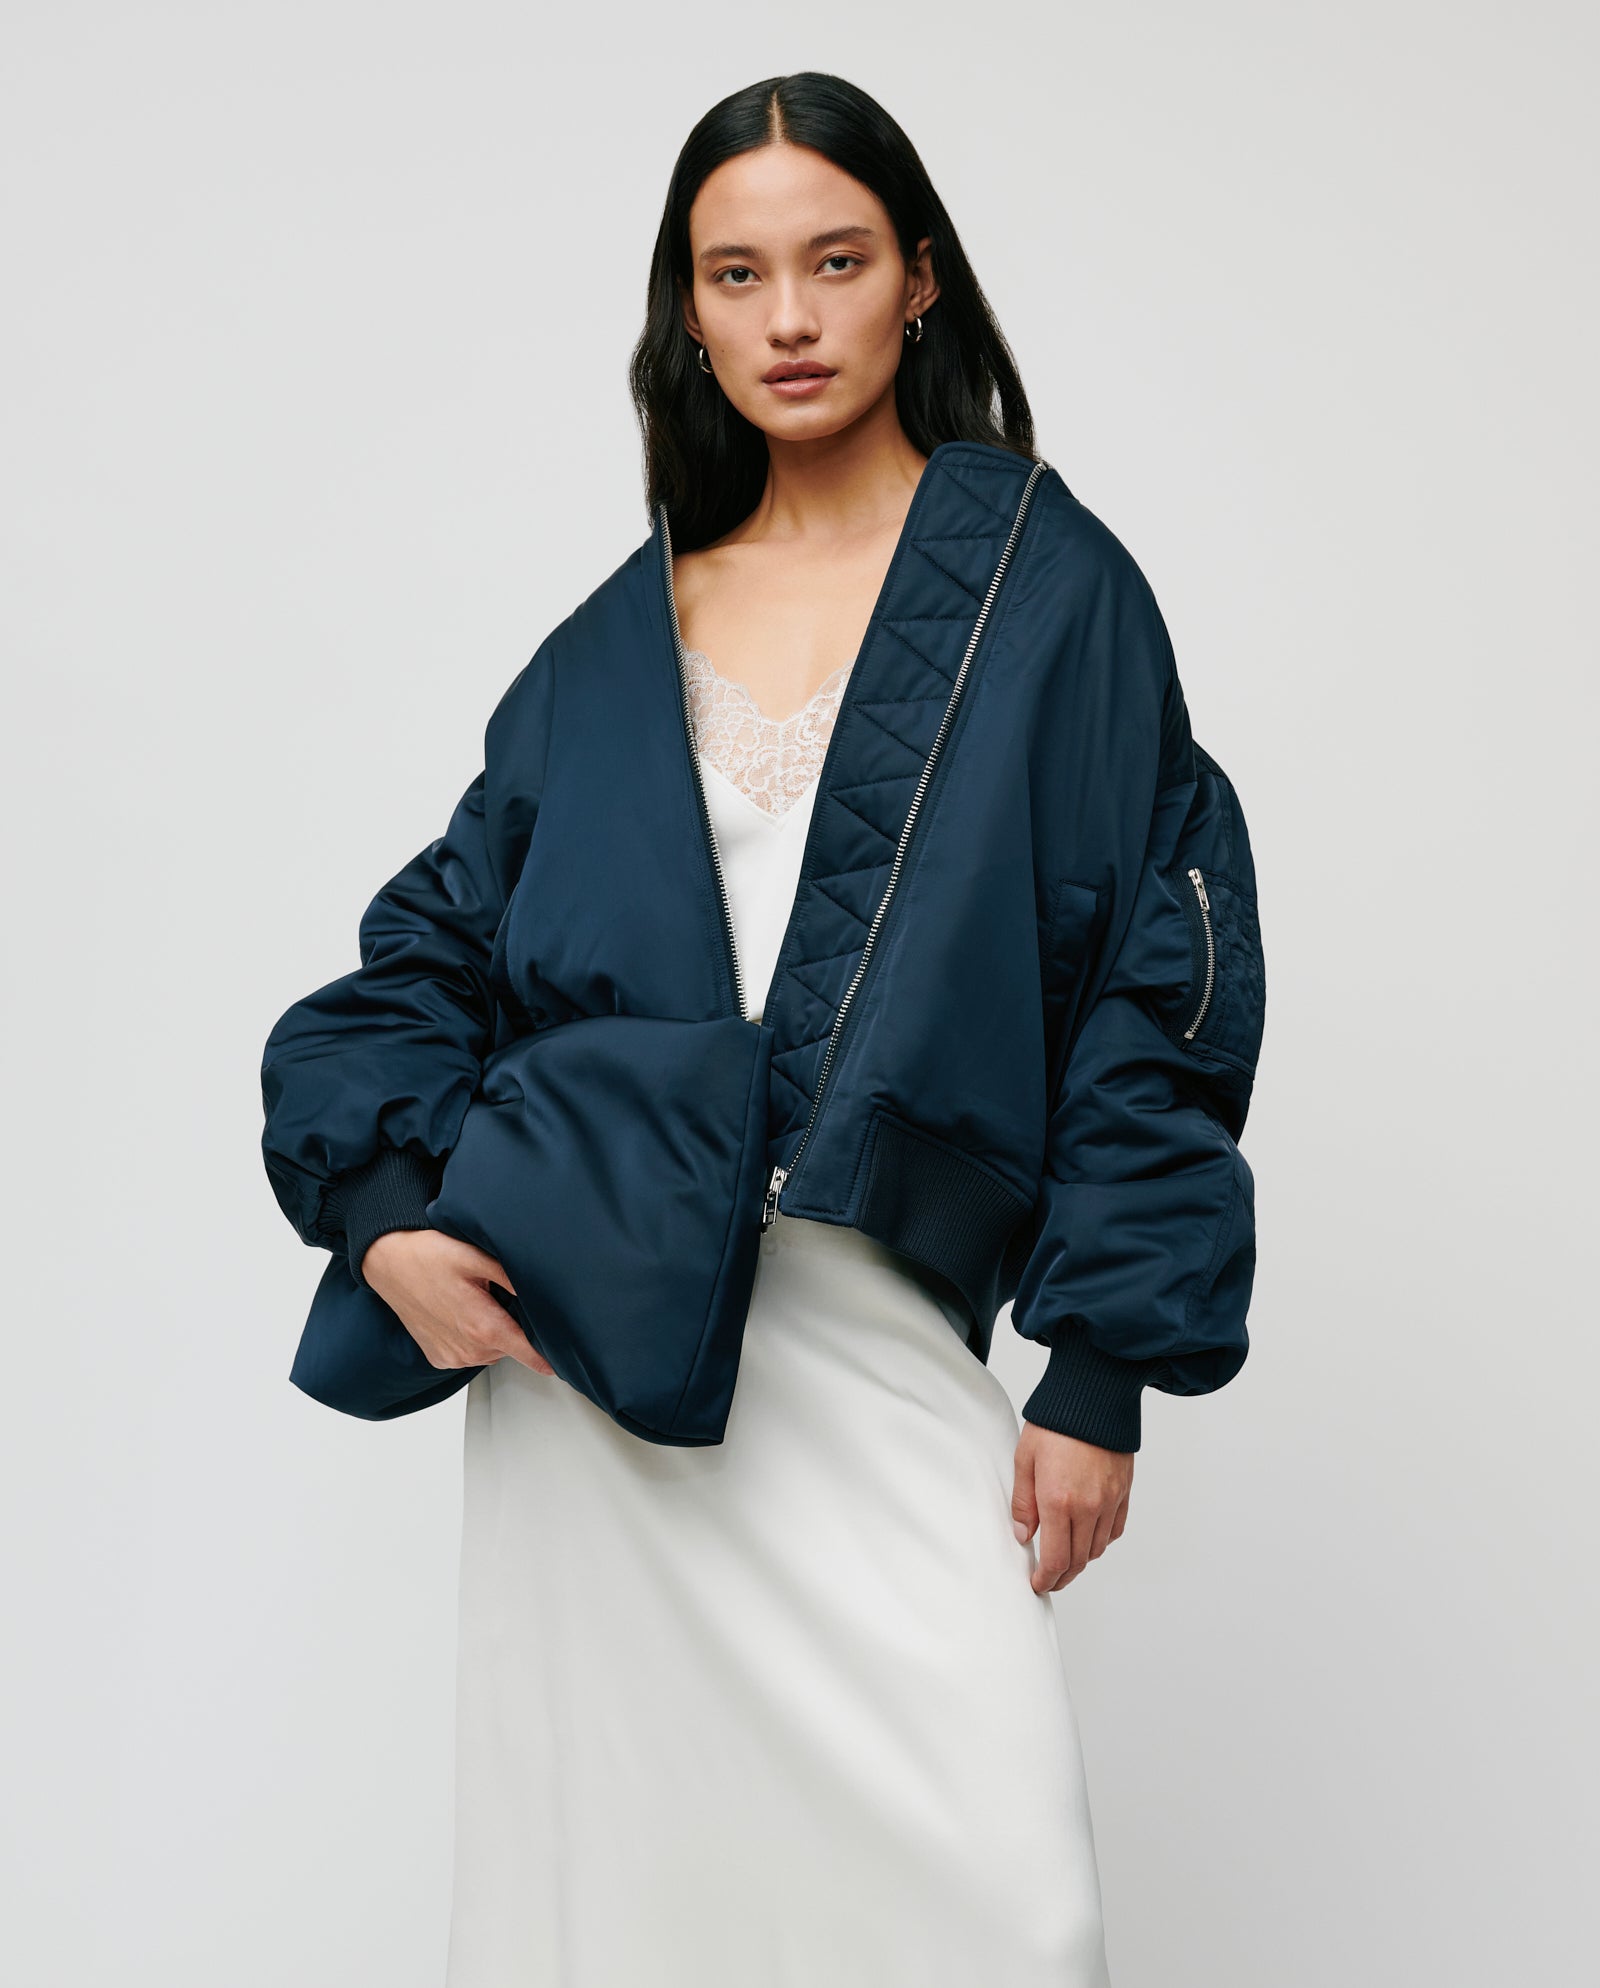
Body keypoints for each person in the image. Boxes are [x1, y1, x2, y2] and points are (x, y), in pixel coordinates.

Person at [259, 70, 1266, 1988]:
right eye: (736, 275)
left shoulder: (1053, 599)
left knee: (1002, 1915)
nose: (788, 317)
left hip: (857, 1334)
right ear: (690, 314)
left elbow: (1166, 971)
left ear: (922, 284)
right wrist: (386, 1212)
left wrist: (1103, 1367)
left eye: (833, 261)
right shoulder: (613, 635)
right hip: (597, 1382)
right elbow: (421, 964)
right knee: (626, 1915)